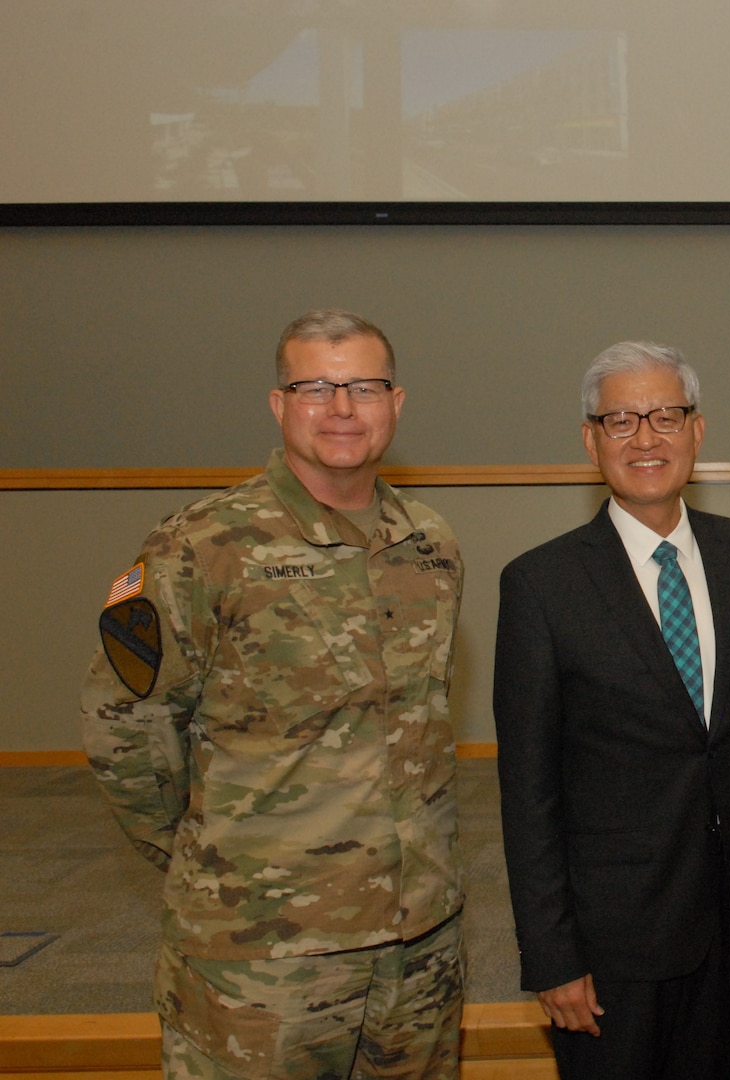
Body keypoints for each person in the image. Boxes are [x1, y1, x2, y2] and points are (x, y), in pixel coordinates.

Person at [81, 310, 465, 1080]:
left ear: (397, 401)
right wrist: (213, 862)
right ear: (278, 403)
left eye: (363, 385)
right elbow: (123, 726)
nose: (342, 408)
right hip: (261, 959)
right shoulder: (201, 545)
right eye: (315, 386)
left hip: (416, 945)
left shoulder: (430, 543)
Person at [493, 341, 730, 1080]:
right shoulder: (540, 586)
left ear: (697, 431)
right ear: (590, 441)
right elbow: (528, 792)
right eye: (620, 420)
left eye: (666, 416)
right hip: (611, 938)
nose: (645, 438)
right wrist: (551, 953)